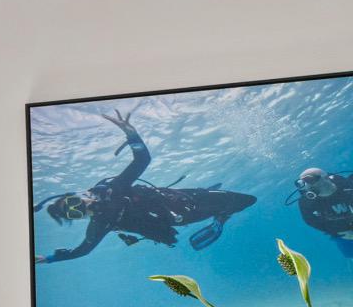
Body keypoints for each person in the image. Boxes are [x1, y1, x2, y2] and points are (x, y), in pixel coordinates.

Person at [33, 107, 257, 264]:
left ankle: (221, 214)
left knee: (246, 200)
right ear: (78, 219)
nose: (80, 209)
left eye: (74, 203)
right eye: (74, 214)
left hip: (184, 199)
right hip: (181, 220)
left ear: (79, 195)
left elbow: (142, 160)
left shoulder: (114, 189)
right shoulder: (101, 223)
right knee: (239, 204)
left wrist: (131, 133)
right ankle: (221, 216)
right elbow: (83, 250)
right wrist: (50, 259)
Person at [294, 167, 353, 255]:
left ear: (325, 177)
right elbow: (310, 221)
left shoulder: (348, 185)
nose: (307, 186)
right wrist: (335, 232)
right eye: (302, 183)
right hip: (342, 233)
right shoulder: (306, 202)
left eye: (310, 180)